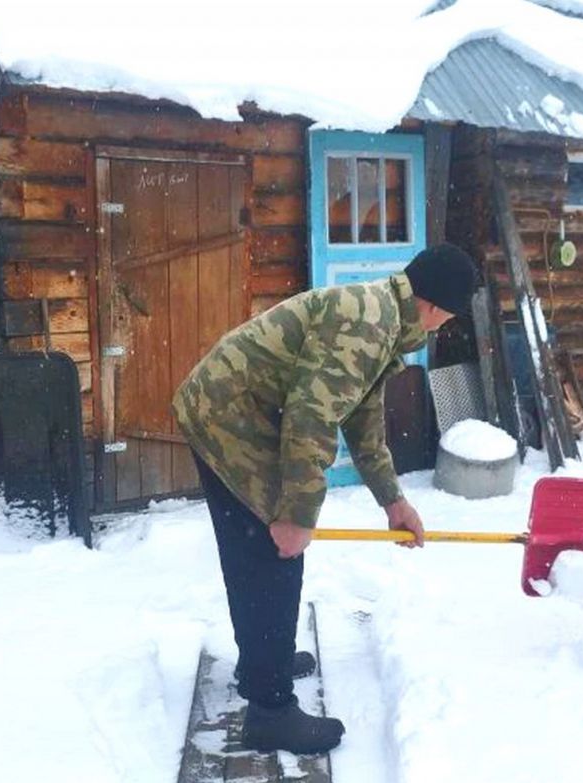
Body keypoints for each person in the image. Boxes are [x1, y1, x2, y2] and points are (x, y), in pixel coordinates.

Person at [172, 244, 481, 755]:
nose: (442, 327)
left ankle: (261, 662)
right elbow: (311, 418)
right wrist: (295, 515)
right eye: (448, 317)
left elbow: (362, 421)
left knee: (261, 553)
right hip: (229, 415)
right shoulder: (368, 324)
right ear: (435, 306)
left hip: (232, 409)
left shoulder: (380, 319)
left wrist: (393, 501)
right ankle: (270, 708)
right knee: (273, 553)